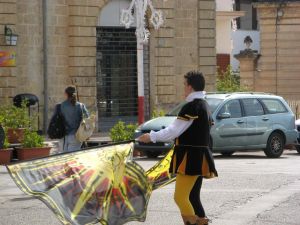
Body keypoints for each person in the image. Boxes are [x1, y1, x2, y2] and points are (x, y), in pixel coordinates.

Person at [138, 71, 218, 225]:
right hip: (199, 157)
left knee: (180, 197)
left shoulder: (192, 107)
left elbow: (173, 131)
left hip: (191, 158)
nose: (183, 88)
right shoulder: (204, 105)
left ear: (190, 87)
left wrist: (151, 136)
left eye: (184, 85)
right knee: (193, 197)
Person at [59, 85, 89, 152]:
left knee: (64, 158)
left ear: (66, 94)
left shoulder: (61, 106)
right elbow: (87, 117)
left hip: (64, 137)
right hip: (77, 135)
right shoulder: (81, 105)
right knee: (72, 158)